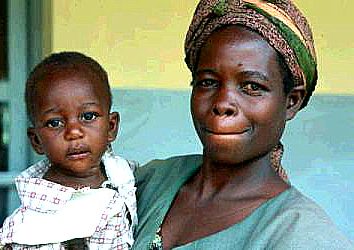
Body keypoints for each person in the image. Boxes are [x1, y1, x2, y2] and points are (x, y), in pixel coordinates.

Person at [133, 0, 353, 249]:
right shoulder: (148, 183)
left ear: (291, 102)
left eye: (252, 86)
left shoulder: (303, 236)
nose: (223, 103)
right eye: (207, 82)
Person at [0, 52, 138, 249]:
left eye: (88, 116)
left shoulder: (125, 175)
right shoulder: (24, 229)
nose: (74, 132)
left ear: (110, 127)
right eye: (55, 122)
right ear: (36, 140)